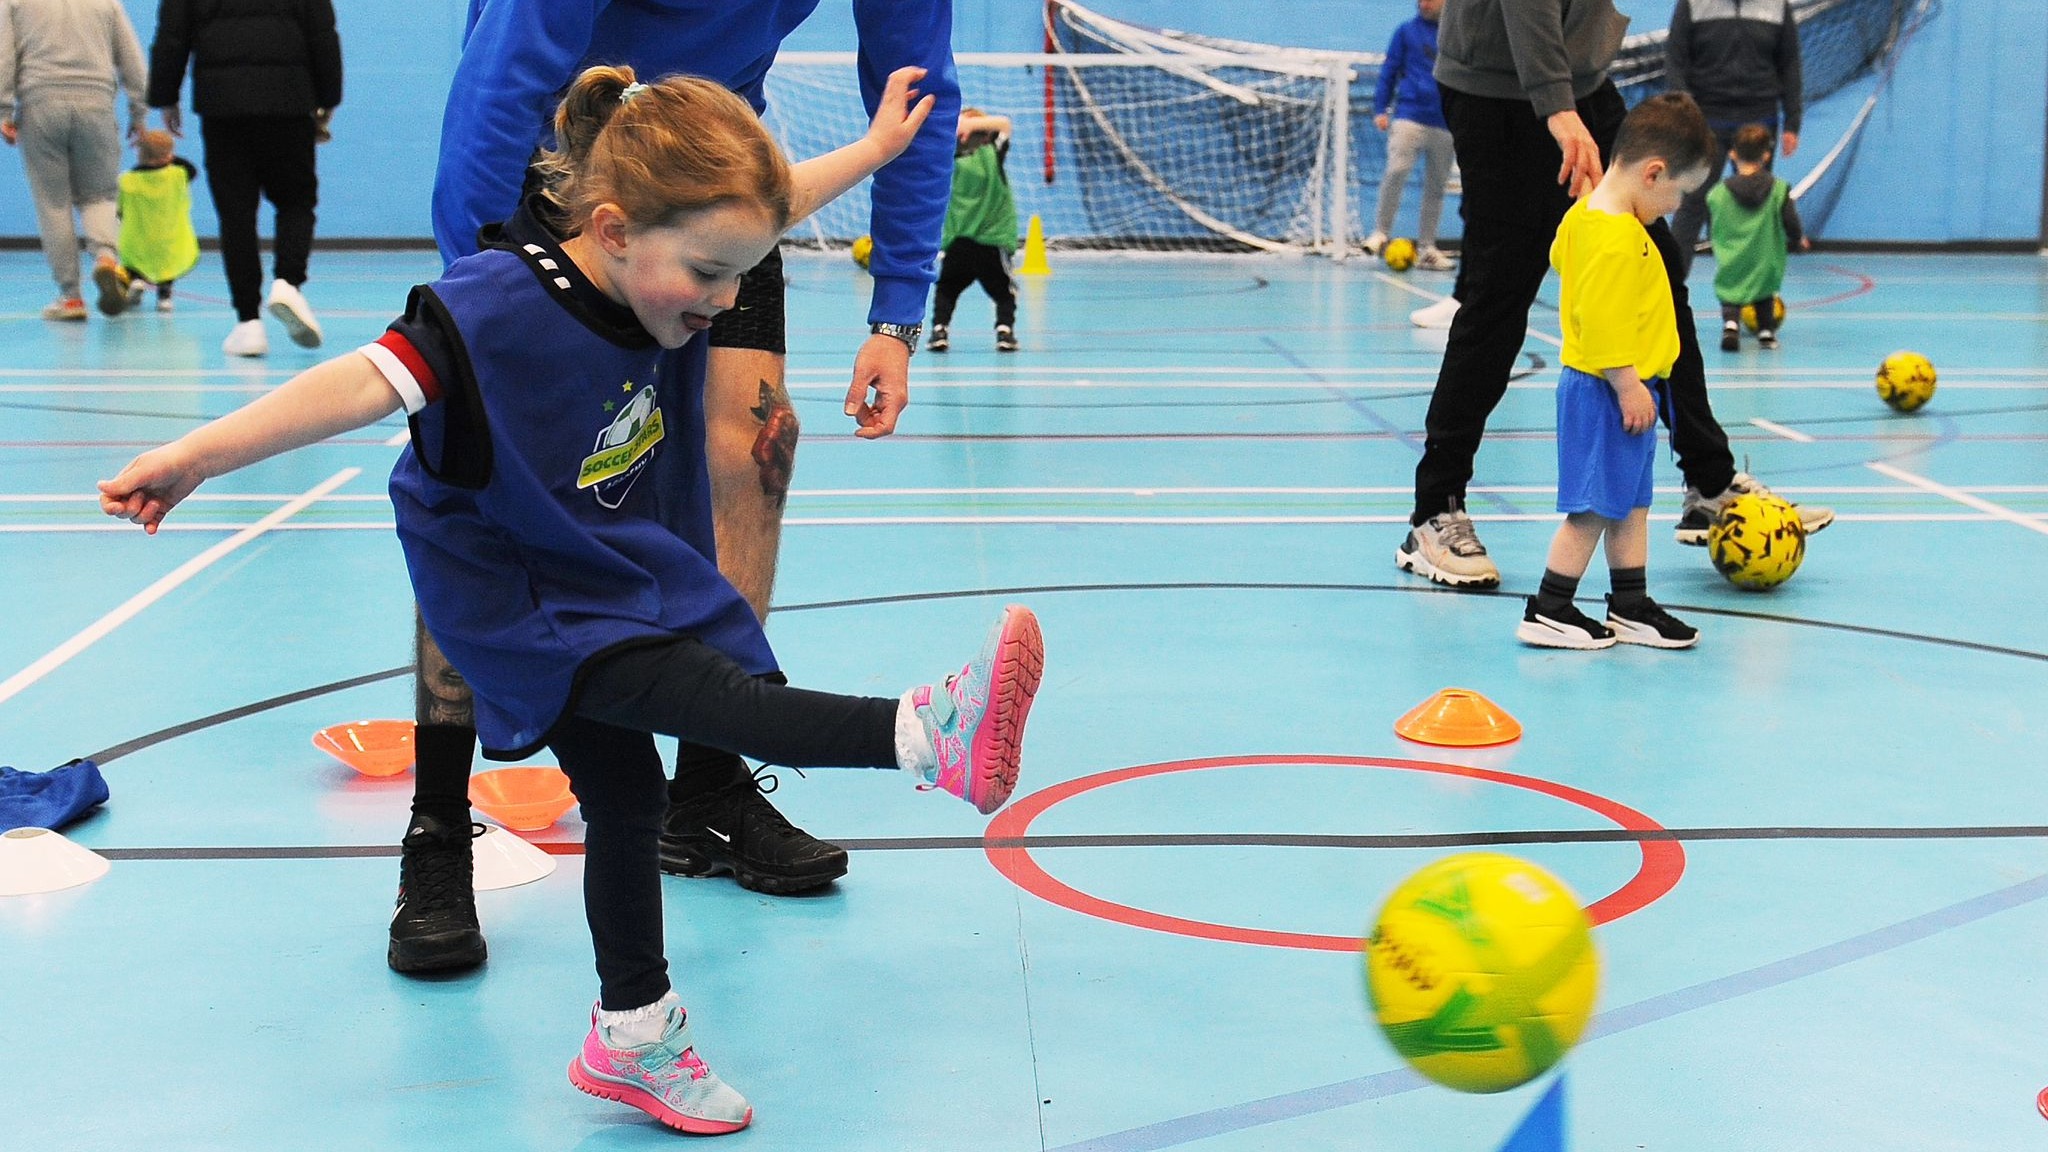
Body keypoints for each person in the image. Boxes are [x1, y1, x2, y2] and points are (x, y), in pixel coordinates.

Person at [100, 65, 1047, 1134]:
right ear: (610, 228)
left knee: (631, 801)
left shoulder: (660, 270)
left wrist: (875, 154)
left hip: (599, 559)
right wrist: (193, 457)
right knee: (711, 697)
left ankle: (631, 1036)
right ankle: (927, 737)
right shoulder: (494, 305)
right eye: (706, 273)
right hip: (516, 588)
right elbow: (360, 382)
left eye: (738, 273)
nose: (725, 300)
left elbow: (773, 206)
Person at [404, 2, 961, 971]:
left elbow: (915, 88)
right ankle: (437, 828)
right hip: (562, 169)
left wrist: (898, 309)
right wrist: (480, 303)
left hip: (720, 182)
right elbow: (505, 72)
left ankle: (706, 784)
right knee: (483, 484)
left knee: (755, 452)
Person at [1395, 0, 1830, 593]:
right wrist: (1556, 107)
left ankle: (1709, 481)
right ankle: (1433, 512)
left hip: (1579, 87)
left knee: (1657, 276)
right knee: (1499, 298)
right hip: (1501, 95)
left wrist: (1569, 96)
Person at [1521, 93, 1715, 651]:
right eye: (1677, 192)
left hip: (1625, 389)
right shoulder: (1615, 237)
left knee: (1631, 502)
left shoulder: (1591, 217)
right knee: (1592, 509)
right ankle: (1551, 607)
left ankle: (1630, 603)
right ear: (1653, 173)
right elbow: (1602, 321)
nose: (1675, 206)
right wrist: (1628, 385)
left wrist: (1588, 204)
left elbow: (1561, 258)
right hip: (1608, 390)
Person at [147, 0, 341, 357]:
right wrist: (328, 97)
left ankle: (248, 323)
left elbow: (172, 36)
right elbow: (322, 33)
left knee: (236, 213)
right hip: (289, 100)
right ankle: (288, 282)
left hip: (222, 105)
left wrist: (165, 96)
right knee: (295, 201)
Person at [0, 0, 148, 322]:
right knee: (100, 196)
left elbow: (4, 57)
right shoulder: (107, 2)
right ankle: (107, 259)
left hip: (41, 104)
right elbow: (132, 59)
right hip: (96, 104)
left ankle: (70, 298)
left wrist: (4, 111)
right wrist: (139, 113)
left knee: (53, 204)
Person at [1664, 0, 1801, 278]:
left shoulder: (1777, 6)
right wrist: (1684, 109)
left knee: (1757, 207)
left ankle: (1755, 293)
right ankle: (1670, 289)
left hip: (1760, 118)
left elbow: (1790, 62)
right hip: (1706, 118)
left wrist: (1792, 122)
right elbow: (1675, 57)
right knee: (1693, 201)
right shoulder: (1692, 3)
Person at [1366, 0, 1456, 271]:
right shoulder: (1406, 31)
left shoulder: (1454, 33)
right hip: (1409, 116)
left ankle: (1428, 247)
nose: (1425, 3)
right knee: (1397, 170)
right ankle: (1381, 232)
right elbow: (1389, 71)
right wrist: (1381, 108)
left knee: (1436, 187)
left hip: (1445, 123)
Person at [1708, 122, 1807, 352]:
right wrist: (1797, 239)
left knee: (1731, 289)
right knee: (1765, 291)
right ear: (1766, 155)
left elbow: (1714, 220)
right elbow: (1790, 220)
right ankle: (1766, 332)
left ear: (1732, 154)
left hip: (1733, 254)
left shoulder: (1719, 193)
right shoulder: (1779, 189)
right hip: (1765, 255)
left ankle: (1731, 325)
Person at [928, 109, 1019, 352]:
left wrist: (963, 122)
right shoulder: (993, 153)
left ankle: (939, 329)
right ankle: (1005, 331)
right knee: (1004, 293)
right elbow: (1004, 122)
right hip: (992, 240)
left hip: (961, 241)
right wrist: (971, 123)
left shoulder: (949, 156)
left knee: (947, 289)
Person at [112, 128, 200, 313]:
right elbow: (192, 170)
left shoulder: (127, 180)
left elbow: (119, 210)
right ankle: (164, 298)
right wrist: (170, 158)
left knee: (133, 262)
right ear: (169, 155)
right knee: (166, 268)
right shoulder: (178, 175)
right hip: (168, 238)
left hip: (136, 238)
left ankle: (136, 280)